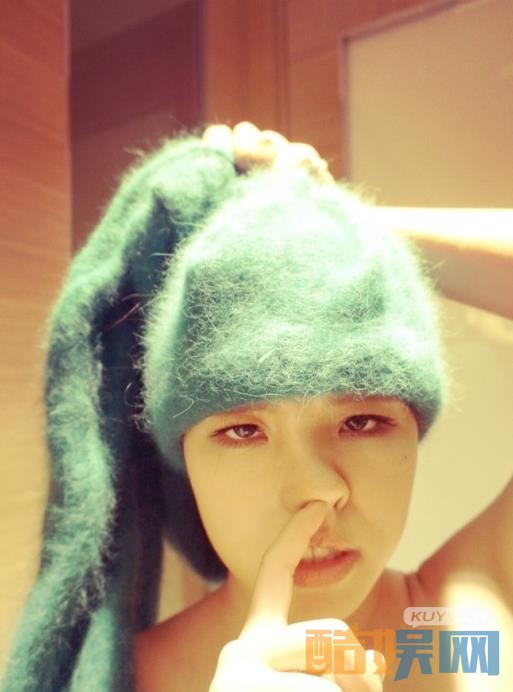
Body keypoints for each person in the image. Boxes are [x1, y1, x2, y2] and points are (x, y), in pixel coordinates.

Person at [2, 123, 512, 692]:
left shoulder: (467, 629)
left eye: (361, 421)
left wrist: (330, 217)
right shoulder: (131, 680)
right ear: (185, 459)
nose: (315, 489)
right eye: (243, 431)